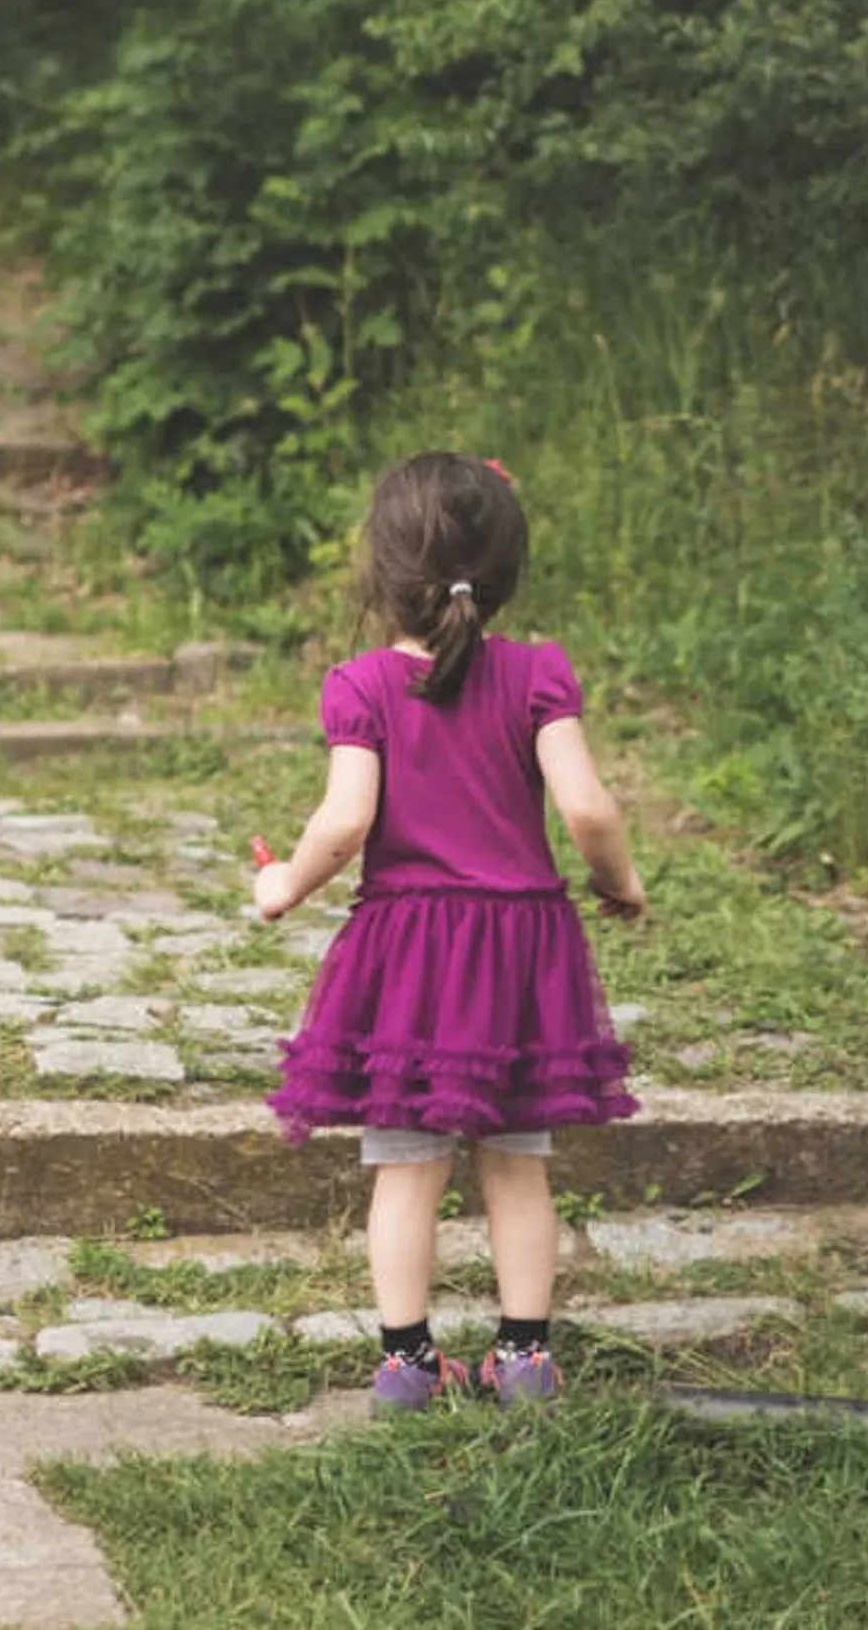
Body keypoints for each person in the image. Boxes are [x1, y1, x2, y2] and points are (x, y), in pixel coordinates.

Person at [250, 451, 647, 1414]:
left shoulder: (361, 686)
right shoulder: (537, 676)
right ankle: (524, 1360)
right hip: (520, 955)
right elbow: (587, 808)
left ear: (382, 575)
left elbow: (344, 823)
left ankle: (407, 1366)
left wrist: (278, 887)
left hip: (411, 957)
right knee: (518, 1165)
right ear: (505, 570)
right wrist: (620, 880)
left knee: (404, 1167)